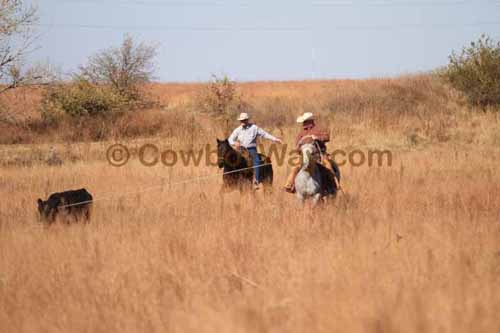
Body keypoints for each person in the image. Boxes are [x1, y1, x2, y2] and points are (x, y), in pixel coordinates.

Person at [228, 113, 283, 189]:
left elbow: (265, 134)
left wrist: (275, 139)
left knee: (256, 160)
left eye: (244, 120)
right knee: (232, 161)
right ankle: (233, 180)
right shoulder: (238, 130)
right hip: (241, 149)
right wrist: (235, 143)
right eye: (241, 120)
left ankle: (256, 181)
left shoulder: (254, 128)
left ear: (247, 120)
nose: (242, 122)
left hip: (251, 149)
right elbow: (230, 139)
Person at [284, 112, 335, 193]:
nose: (304, 123)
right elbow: (297, 145)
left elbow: (327, 137)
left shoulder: (318, 129)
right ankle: (290, 185)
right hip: (303, 155)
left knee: (328, 166)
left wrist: (317, 138)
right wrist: (298, 147)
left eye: (305, 121)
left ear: (310, 121)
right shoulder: (301, 133)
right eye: (303, 122)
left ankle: (332, 186)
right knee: (294, 168)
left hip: (319, 154)